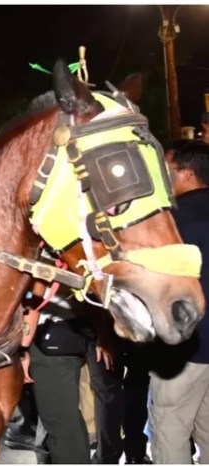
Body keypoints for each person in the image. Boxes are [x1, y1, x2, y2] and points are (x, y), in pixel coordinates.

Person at [150, 141, 209, 463]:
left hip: (185, 350)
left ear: (186, 174)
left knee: (170, 430)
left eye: (167, 168)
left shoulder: (171, 222)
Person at [21, 280, 123, 464]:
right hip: (83, 327)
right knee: (72, 416)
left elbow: (34, 302)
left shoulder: (50, 255)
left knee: (60, 419)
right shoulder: (87, 256)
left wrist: (23, 348)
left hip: (54, 333)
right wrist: (102, 334)